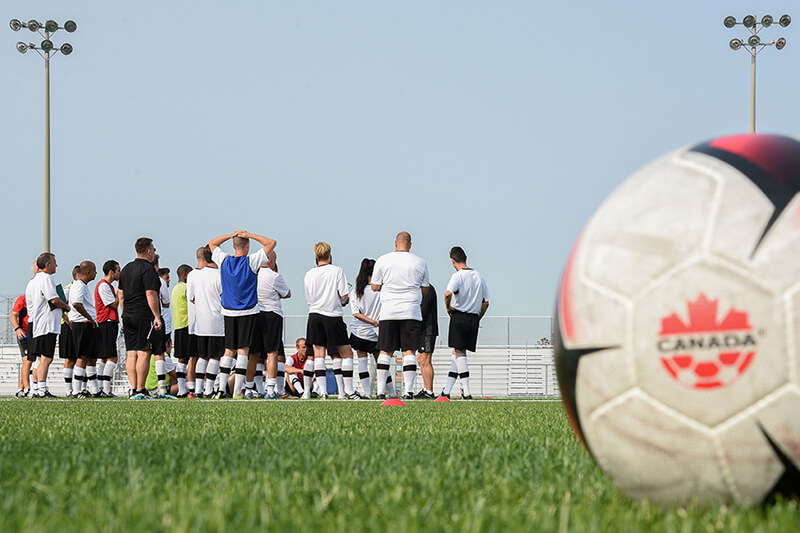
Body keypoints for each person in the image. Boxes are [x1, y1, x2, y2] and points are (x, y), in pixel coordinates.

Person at [209, 230, 276, 399]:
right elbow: (271, 242)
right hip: (248, 311)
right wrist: (250, 235)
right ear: (247, 246)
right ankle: (238, 391)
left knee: (228, 350)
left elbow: (212, 243)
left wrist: (230, 234)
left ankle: (221, 389)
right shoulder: (252, 261)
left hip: (228, 310)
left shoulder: (224, 260)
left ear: (233, 246)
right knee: (243, 350)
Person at [371, 231, 430, 400]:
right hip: (411, 310)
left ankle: (381, 391)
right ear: (410, 245)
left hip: (389, 310)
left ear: (395, 243)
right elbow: (425, 289)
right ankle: (408, 391)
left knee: (385, 351)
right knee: (409, 351)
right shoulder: (420, 262)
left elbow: (374, 286)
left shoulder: (383, 260)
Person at [303, 242, 358, 400]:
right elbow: (344, 296)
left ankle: (323, 392)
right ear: (329, 255)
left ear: (316, 256)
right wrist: (343, 302)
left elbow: (308, 299)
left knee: (318, 354)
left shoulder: (309, 274)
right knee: (346, 353)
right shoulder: (337, 271)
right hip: (332, 315)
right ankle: (346, 391)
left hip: (314, 315)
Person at [441, 246, 490, 400]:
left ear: (452, 261)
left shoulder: (458, 276)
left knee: (460, 353)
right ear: (466, 257)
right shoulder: (479, 276)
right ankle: (446, 390)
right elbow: (486, 302)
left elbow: (448, 293)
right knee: (457, 352)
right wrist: (478, 316)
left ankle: (466, 391)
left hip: (459, 317)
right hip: (473, 318)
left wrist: (448, 308)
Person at [118, 237, 163, 399]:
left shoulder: (126, 269)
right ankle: (140, 389)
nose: (154, 252)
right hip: (143, 314)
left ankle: (133, 388)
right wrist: (156, 316)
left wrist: (124, 312)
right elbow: (151, 293)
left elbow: (121, 294)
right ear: (149, 251)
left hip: (128, 315)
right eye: (154, 249)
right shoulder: (148, 269)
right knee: (144, 351)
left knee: (132, 353)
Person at [25, 253, 70, 397]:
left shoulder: (33, 281)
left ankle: (36, 388)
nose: (56, 265)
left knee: (40, 358)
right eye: (54, 262)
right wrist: (66, 307)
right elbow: (53, 299)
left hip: (36, 323)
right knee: (46, 357)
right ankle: (41, 390)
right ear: (47, 264)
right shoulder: (46, 278)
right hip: (46, 324)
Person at [349, 258, 394, 399]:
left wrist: (371, 321)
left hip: (359, 332)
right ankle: (391, 392)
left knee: (362, 362)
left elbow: (356, 313)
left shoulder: (356, 292)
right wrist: (376, 322)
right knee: (382, 364)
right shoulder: (381, 291)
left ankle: (367, 393)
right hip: (377, 333)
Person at [186, 246, 224, 398]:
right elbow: (225, 297)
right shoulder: (220, 275)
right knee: (215, 356)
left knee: (202, 356)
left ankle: (198, 389)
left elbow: (191, 297)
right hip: (217, 319)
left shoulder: (195, 275)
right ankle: (209, 390)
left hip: (200, 321)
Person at [253, 250, 291, 399]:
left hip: (255, 313)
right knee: (273, 353)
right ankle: (271, 390)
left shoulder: (253, 274)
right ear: (269, 259)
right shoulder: (274, 276)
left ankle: (257, 389)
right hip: (272, 314)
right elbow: (287, 293)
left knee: (257, 355)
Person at [68, 261, 100, 398]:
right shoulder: (79, 285)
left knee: (92, 357)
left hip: (87, 324)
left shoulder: (83, 285)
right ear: (88, 272)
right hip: (82, 324)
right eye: (94, 271)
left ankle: (95, 390)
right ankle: (76, 391)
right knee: (82, 356)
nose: (96, 274)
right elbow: (76, 303)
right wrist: (89, 317)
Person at [95, 260, 121, 397]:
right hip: (107, 322)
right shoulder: (103, 286)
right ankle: (105, 389)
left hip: (109, 322)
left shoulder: (107, 286)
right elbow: (114, 305)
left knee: (105, 358)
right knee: (112, 357)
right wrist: (119, 289)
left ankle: (101, 388)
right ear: (111, 272)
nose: (119, 274)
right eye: (118, 271)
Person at [171, 264, 193, 397]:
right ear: (185, 274)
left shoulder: (175, 289)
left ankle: (181, 389)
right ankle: (192, 387)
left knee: (181, 358)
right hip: (187, 325)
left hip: (178, 325)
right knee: (192, 357)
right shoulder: (186, 288)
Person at [416, 284, 439, 399]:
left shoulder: (427, 289)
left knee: (426, 360)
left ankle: (429, 391)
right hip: (422, 330)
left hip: (428, 329)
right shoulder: (419, 288)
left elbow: (423, 310)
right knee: (420, 359)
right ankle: (425, 388)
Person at [60, 265, 80, 395]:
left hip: (77, 325)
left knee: (78, 358)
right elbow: (60, 307)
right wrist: (68, 322)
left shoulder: (79, 288)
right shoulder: (68, 289)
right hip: (68, 326)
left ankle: (79, 388)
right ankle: (69, 390)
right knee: (69, 358)